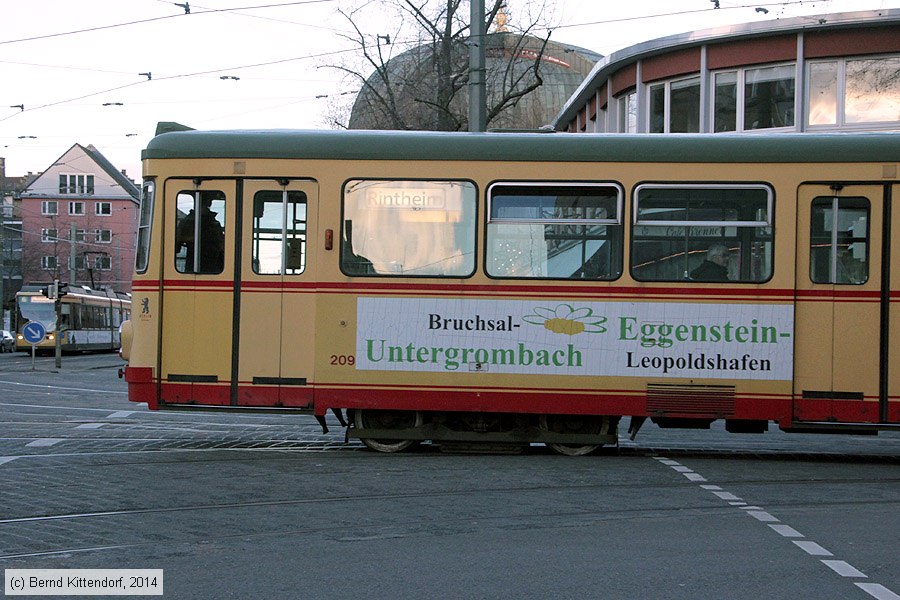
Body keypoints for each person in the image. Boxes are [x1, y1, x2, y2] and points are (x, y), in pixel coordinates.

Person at [176, 196, 225, 273]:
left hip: (194, 266)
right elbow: (222, 245)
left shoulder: (186, 222)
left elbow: (176, 247)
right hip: (213, 267)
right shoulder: (214, 224)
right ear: (209, 203)